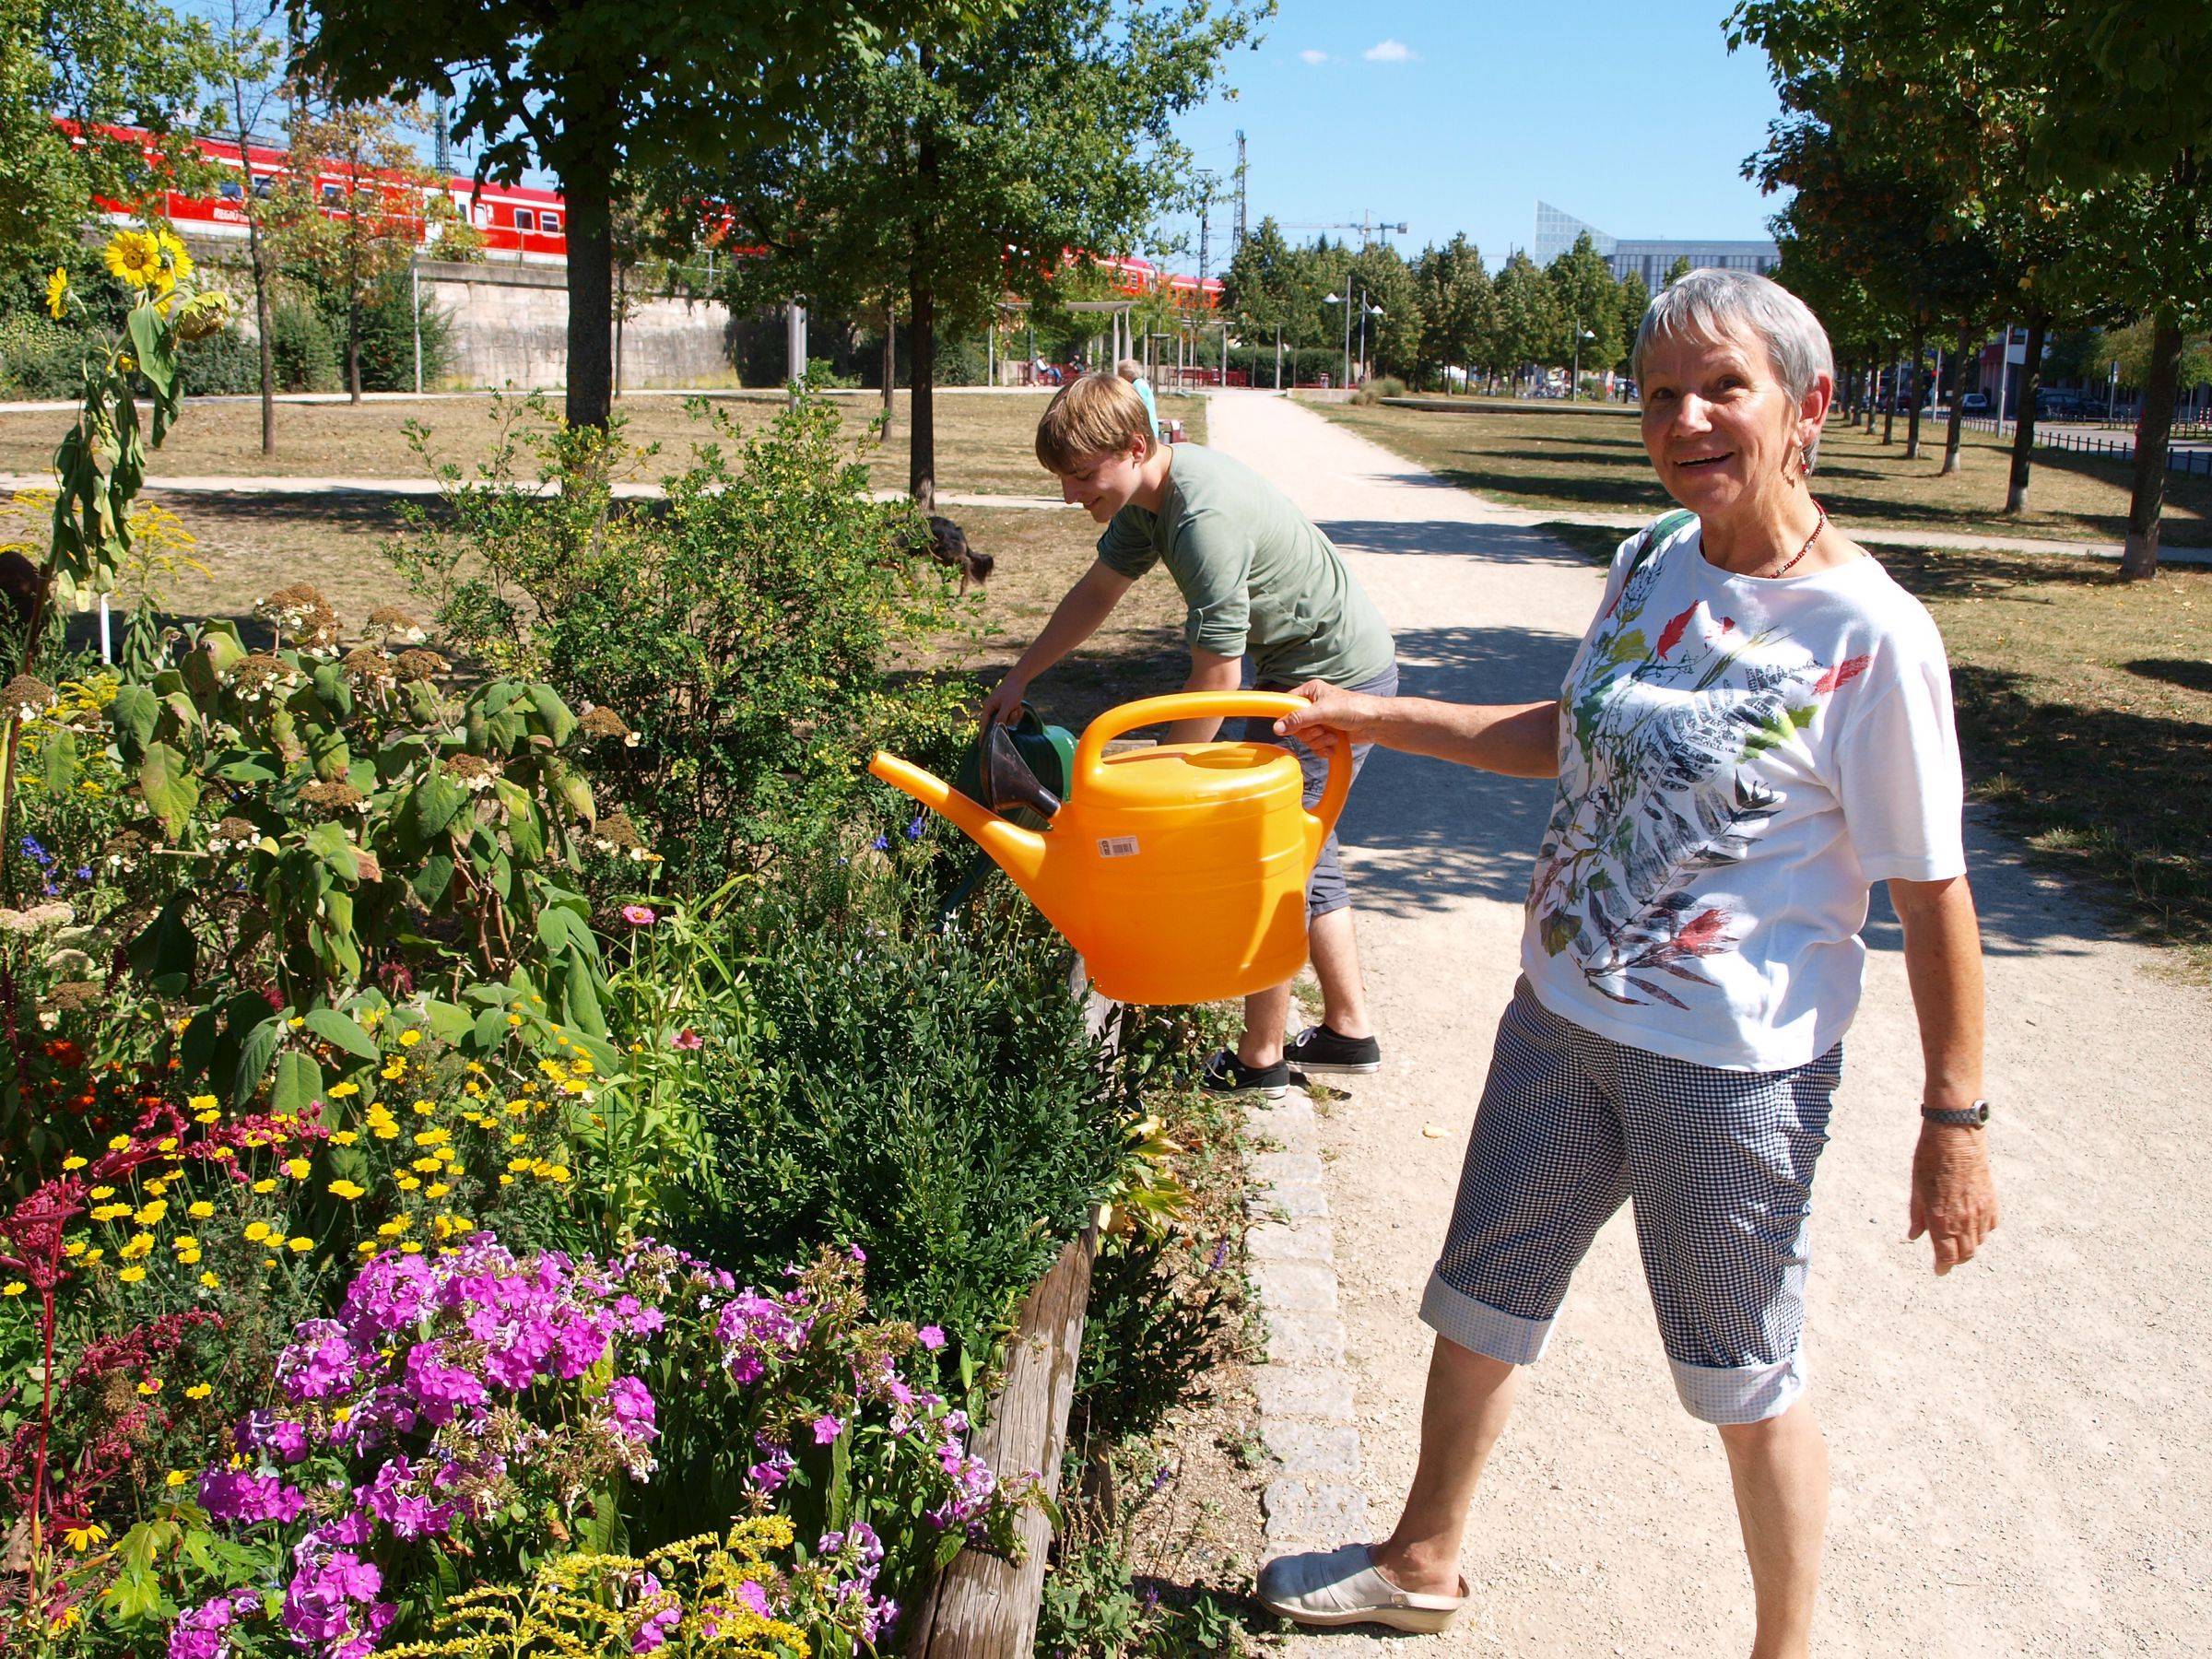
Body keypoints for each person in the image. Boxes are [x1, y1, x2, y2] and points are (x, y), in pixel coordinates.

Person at [1254, 269, 2001, 1653]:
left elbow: (1932, 893)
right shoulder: (1654, 555)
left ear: (1808, 407)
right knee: (1482, 1295)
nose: (1688, 419)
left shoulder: (1872, 638)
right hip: (1558, 1017)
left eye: (1725, 388)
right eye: (1662, 394)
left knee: (1739, 1374)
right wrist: (1378, 713)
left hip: (1730, 1077)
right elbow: (1578, 728)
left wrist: (1953, 1120)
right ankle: (1422, 1561)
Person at [979, 372, 1399, 1095]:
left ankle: (1269, 1053)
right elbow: (1096, 593)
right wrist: (1021, 676)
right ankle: (1341, 1032)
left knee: (1272, 848)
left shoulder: (1200, 518)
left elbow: (1217, 675)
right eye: (1062, 479)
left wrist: (1162, 788)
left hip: (1331, 681)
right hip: (1293, 671)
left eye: (1081, 475)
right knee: (1298, 846)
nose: (1071, 495)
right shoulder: (1152, 495)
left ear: (1136, 446)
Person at [1115, 357, 1160, 442]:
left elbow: (1137, 407)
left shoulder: (1137, 386)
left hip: (1146, 428)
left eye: (1120, 374)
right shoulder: (1140, 383)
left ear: (1127, 376)